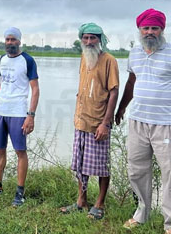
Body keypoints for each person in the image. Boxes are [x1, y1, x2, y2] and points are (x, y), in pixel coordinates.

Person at [115, 9, 171, 234]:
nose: (150, 32)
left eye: (154, 28)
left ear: (162, 29)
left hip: (166, 123)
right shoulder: (134, 53)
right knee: (136, 169)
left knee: (170, 173)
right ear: (139, 30)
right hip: (138, 120)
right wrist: (122, 107)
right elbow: (132, 82)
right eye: (146, 28)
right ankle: (141, 213)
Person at [59, 23, 119, 220]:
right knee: (80, 164)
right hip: (81, 119)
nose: (89, 41)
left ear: (100, 40)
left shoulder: (109, 60)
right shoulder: (84, 58)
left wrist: (106, 123)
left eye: (93, 38)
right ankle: (81, 201)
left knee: (101, 165)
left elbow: (114, 92)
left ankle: (99, 204)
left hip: (98, 122)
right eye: (85, 38)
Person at [0, 27, 39, 207]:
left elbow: (35, 89)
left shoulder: (28, 60)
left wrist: (31, 116)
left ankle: (20, 193)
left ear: (19, 41)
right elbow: (2, 85)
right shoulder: (2, 59)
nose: (10, 42)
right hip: (0, 110)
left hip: (18, 112)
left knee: (20, 152)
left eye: (13, 39)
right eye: (7, 39)